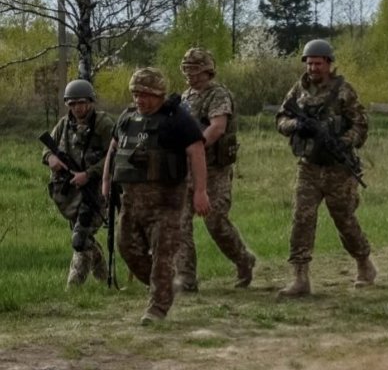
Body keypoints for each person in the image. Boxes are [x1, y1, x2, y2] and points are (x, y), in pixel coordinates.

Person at [102, 68, 210, 325]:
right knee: (127, 248)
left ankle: (157, 309)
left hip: (167, 203)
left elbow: (196, 152)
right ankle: (164, 286)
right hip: (131, 201)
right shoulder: (127, 118)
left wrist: (201, 192)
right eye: (136, 94)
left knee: (163, 255)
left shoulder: (178, 120)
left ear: (160, 94)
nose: (141, 99)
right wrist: (106, 181)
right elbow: (114, 149)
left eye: (147, 94)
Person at [275, 39, 376, 298]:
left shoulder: (344, 91)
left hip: (338, 169)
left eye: (318, 63)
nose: (313, 68)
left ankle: (364, 263)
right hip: (308, 167)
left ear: (329, 64)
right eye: (309, 63)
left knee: (345, 220)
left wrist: (343, 141)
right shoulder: (299, 89)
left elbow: (361, 125)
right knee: (301, 219)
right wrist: (296, 126)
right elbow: (281, 118)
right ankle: (300, 278)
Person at [174, 48, 255, 291]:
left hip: (214, 170)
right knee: (179, 223)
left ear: (208, 71)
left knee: (215, 221)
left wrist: (194, 146)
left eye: (196, 71)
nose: (191, 76)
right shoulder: (184, 98)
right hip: (186, 170)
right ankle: (186, 277)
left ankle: (243, 259)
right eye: (187, 71)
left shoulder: (218, 95)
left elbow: (218, 127)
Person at [42, 79, 114, 287]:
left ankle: (73, 289)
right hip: (71, 193)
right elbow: (47, 148)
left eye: (81, 103)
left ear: (90, 102)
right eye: (72, 104)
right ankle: (103, 280)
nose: (77, 108)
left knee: (80, 240)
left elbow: (115, 155)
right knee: (84, 238)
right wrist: (50, 158)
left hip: (96, 190)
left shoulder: (103, 124)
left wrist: (89, 173)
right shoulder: (64, 124)